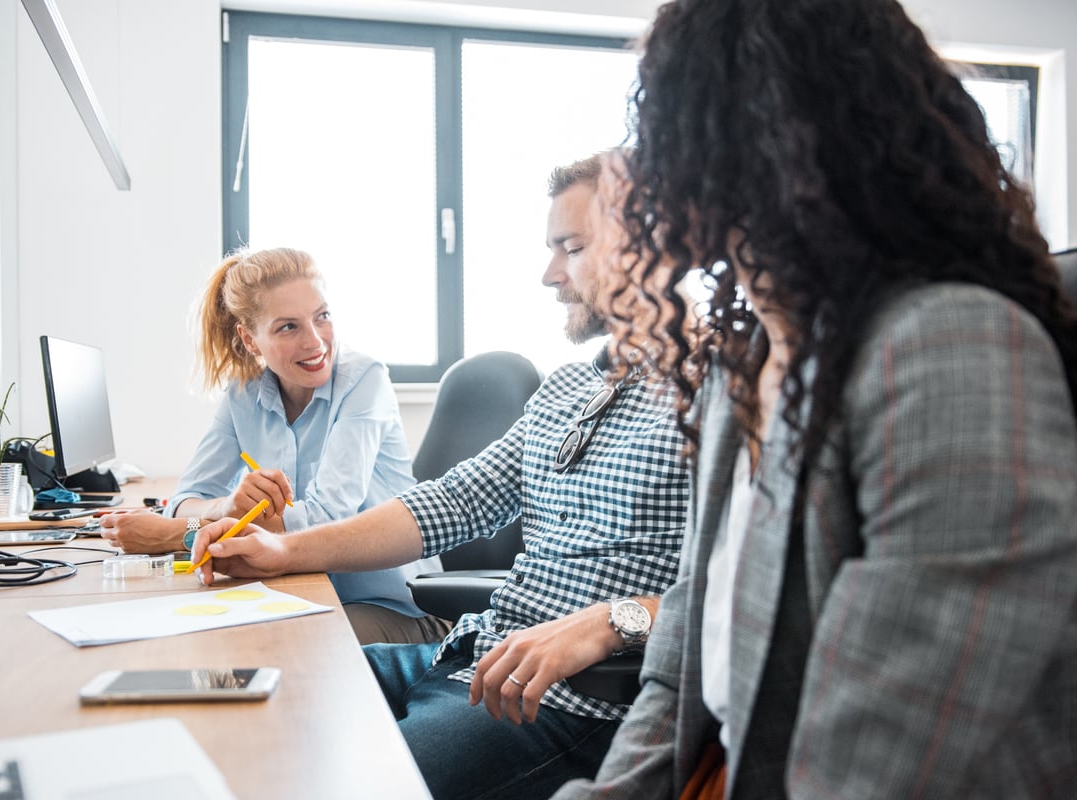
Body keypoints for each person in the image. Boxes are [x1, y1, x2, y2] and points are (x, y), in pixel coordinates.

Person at [555, 0, 1077, 798]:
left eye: (671, 111)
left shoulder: (950, 350)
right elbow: (679, 676)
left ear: (772, 126)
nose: (645, 157)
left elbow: (870, 767)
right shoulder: (744, 366)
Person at [190, 155, 691, 800]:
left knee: (324, 781)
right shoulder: (568, 385)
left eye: (572, 248)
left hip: (561, 700)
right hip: (468, 653)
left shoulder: (715, 392)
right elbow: (452, 502)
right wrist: (280, 549)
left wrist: (614, 620)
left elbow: (748, 585)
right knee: (225, 696)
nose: (549, 275)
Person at [100, 247, 450, 646]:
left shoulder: (363, 380)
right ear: (250, 340)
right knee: (186, 636)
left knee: (263, 647)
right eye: (288, 327)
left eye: (322, 316)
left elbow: (325, 515)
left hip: (395, 610)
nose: (315, 341)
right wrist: (226, 508)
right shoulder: (243, 395)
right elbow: (188, 498)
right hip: (300, 593)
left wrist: (174, 535)